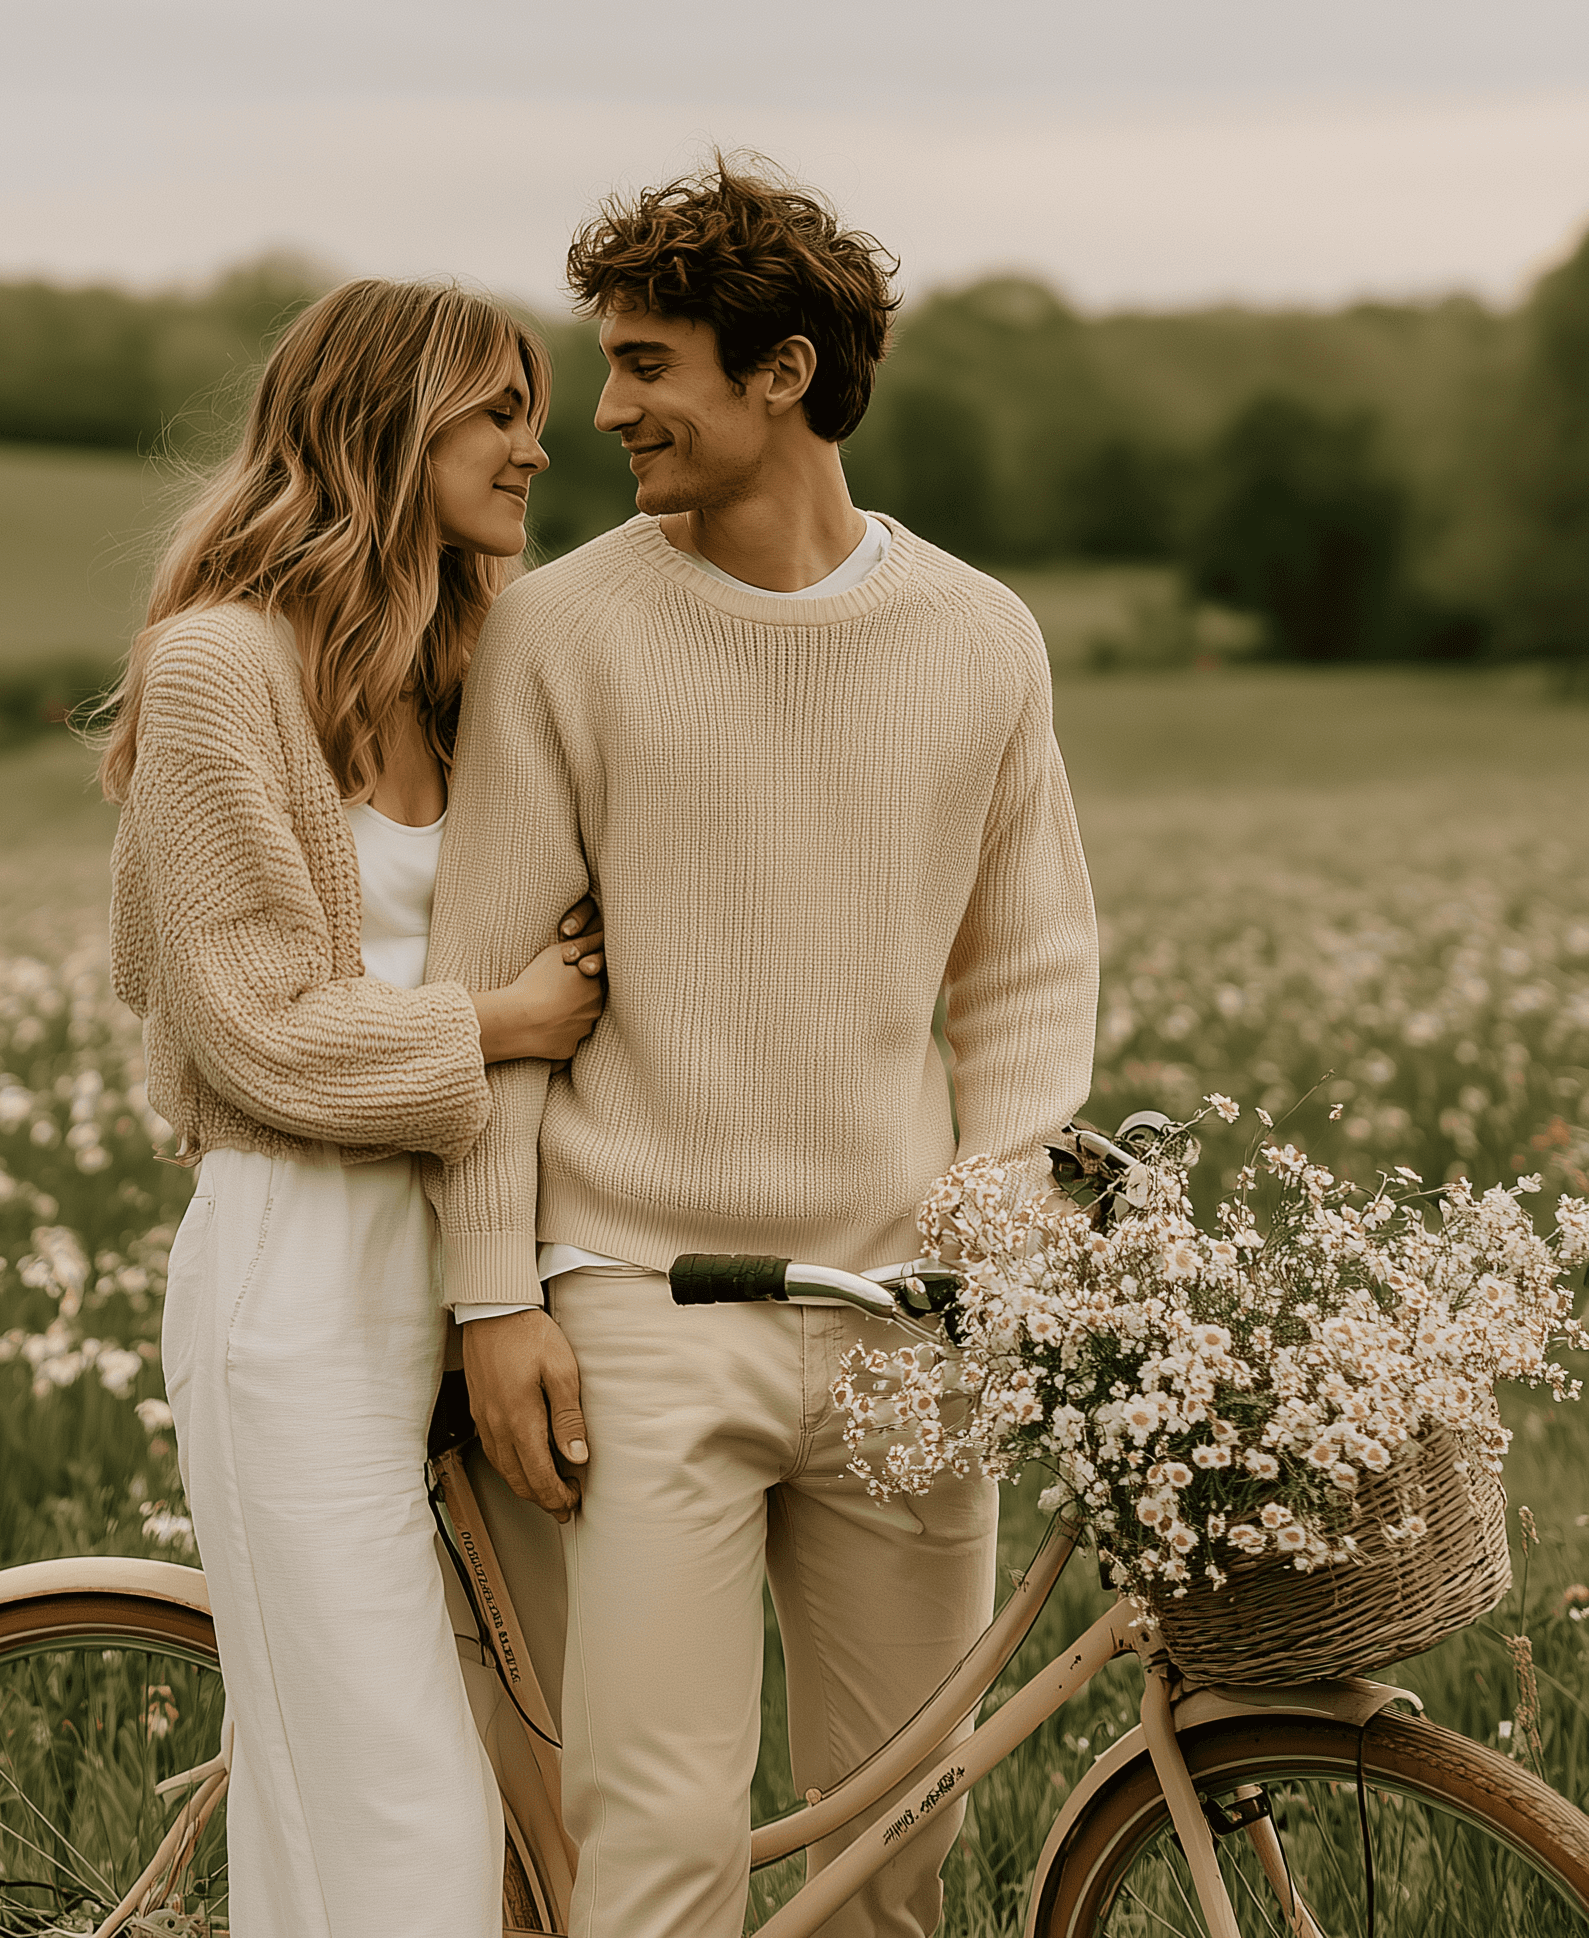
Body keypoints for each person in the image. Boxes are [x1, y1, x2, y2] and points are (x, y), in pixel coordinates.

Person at [427, 163, 1100, 1938]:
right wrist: (496, 1298)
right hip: (644, 1309)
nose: (609, 409)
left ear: (782, 372)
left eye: (649, 364)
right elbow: (493, 988)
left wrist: (1001, 1220)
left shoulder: (979, 638)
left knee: (901, 1850)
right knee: (652, 1842)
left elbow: (1029, 969)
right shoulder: (560, 633)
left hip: (908, 1326)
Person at [101, 279, 607, 1938]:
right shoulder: (215, 670)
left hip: (470, 1269)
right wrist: (509, 1021)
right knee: (397, 1807)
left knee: (480, 1787)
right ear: (389, 422)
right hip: (299, 1282)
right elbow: (255, 1028)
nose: (541, 446)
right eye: (501, 412)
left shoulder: (468, 662)